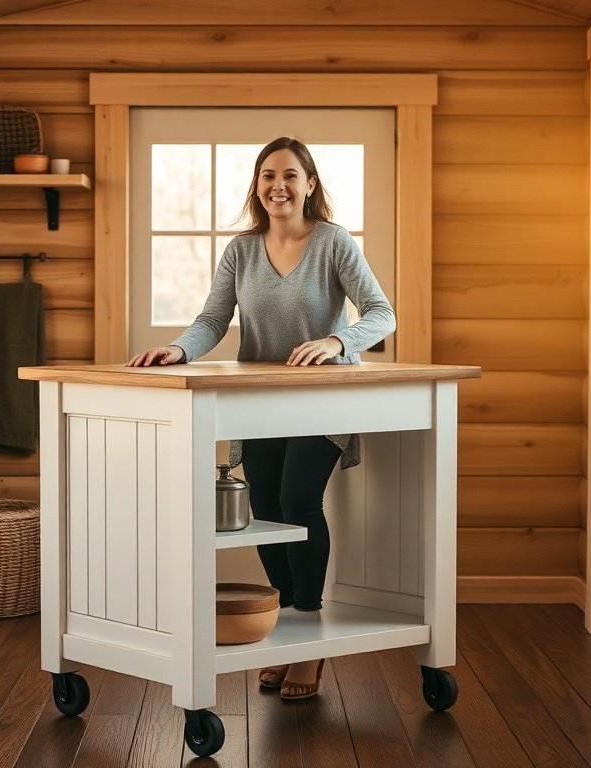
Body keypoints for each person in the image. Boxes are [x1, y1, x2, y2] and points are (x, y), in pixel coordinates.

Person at [127, 136, 395, 700]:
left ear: (310, 184)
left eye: (291, 175)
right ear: (257, 185)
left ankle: (309, 643)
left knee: (298, 501)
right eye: (269, 175)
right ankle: (287, 634)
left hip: (322, 400)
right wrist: (178, 349)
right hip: (261, 401)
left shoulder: (333, 242)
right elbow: (211, 320)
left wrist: (336, 341)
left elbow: (381, 313)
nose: (279, 185)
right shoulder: (241, 250)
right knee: (267, 509)